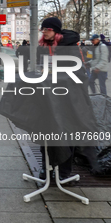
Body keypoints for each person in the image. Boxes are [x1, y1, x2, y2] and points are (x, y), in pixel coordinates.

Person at [36, 17, 85, 180]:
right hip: (47, 97)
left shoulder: (70, 47)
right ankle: (46, 168)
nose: (44, 32)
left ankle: (63, 172)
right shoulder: (42, 46)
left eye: (47, 29)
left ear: (56, 31)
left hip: (67, 99)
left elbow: (79, 74)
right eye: (42, 29)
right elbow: (40, 67)